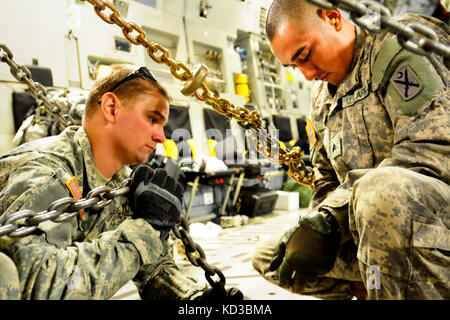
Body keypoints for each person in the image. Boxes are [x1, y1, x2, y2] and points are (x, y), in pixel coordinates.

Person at [252, 0, 449, 299]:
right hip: (369, 233)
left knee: (378, 191)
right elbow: (326, 179)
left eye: (304, 55)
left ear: (332, 19)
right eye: (294, 66)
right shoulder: (321, 99)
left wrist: (332, 217)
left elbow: (431, 152)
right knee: (273, 255)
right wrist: (315, 224)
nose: (305, 74)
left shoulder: (396, 49)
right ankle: (374, 287)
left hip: (432, 224)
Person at [0, 64, 242, 300]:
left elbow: (155, 269)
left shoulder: (120, 182)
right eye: (152, 119)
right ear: (111, 108)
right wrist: (145, 230)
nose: (160, 136)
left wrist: (192, 298)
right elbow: (38, 287)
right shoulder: (47, 173)